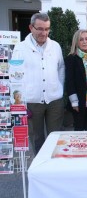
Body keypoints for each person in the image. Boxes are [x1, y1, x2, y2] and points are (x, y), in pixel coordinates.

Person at [11, 12, 65, 154]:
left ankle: (53, 167)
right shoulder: (20, 48)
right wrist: (21, 102)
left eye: (47, 29)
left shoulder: (56, 46)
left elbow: (61, 68)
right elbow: (15, 76)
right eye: (40, 28)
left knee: (56, 137)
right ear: (31, 27)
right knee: (37, 138)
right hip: (32, 102)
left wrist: (59, 87)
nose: (44, 33)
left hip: (54, 100)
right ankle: (40, 168)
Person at [65, 29, 87, 131]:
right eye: (81, 39)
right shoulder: (71, 58)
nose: (85, 42)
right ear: (76, 42)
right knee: (79, 129)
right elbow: (69, 81)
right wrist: (74, 102)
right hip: (78, 101)